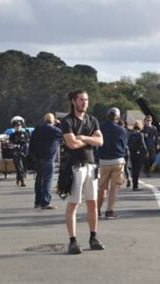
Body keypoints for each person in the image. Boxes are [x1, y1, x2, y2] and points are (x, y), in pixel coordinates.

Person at [61, 89, 104, 255]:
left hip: (91, 165)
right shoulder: (67, 121)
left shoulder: (92, 119)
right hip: (75, 166)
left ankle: (93, 237)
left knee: (92, 203)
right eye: (81, 100)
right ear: (73, 101)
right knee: (74, 203)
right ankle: (73, 241)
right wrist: (88, 140)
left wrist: (84, 138)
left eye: (86, 99)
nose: (84, 102)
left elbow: (100, 141)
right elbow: (71, 143)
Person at [97, 108, 129, 219]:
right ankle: (109, 210)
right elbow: (124, 144)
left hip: (103, 160)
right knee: (114, 187)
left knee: (102, 187)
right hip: (117, 159)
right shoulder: (122, 130)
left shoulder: (100, 127)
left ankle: (97, 210)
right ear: (118, 117)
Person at [29, 113, 63, 209]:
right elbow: (64, 133)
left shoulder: (37, 129)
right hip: (48, 158)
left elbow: (31, 143)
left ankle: (37, 201)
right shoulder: (53, 130)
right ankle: (45, 202)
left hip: (38, 157)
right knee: (48, 179)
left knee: (39, 179)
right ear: (53, 120)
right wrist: (59, 124)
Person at [127, 121, 148, 191]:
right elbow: (143, 144)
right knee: (137, 170)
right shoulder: (140, 134)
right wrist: (146, 152)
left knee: (133, 170)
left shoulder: (130, 134)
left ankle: (134, 184)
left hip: (132, 153)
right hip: (138, 154)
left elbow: (128, 144)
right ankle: (135, 186)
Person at [9, 120, 29, 186]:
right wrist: (14, 145)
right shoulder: (12, 135)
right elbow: (10, 144)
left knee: (23, 167)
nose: (18, 127)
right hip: (16, 152)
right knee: (19, 167)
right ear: (14, 127)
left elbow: (27, 142)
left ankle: (18, 178)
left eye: (19, 126)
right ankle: (22, 181)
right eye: (16, 126)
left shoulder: (25, 133)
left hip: (24, 152)